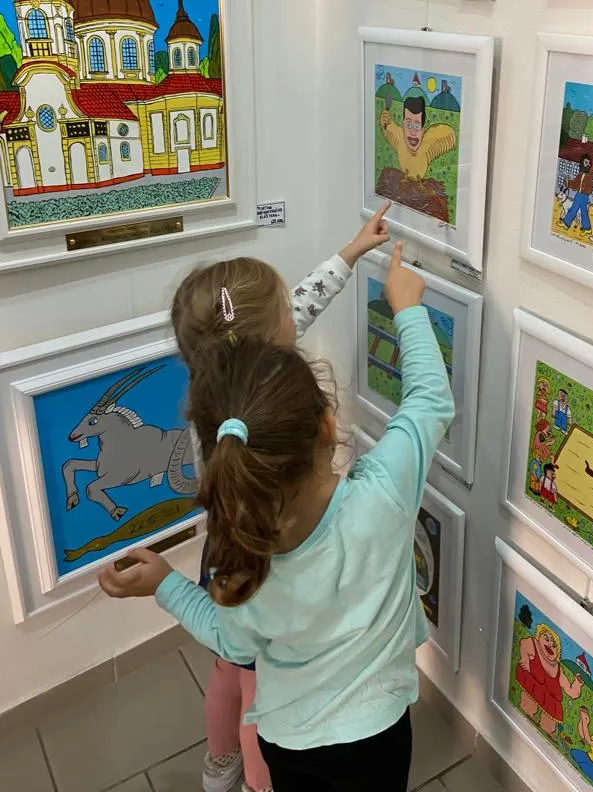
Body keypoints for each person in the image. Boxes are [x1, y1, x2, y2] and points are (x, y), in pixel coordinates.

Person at [98, 242, 455, 792]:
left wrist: (166, 584)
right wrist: (408, 308)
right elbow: (429, 401)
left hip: (288, 744)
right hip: (379, 730)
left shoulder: (240, 564)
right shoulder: (384, 495)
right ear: (328, 427)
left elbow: (233, 643)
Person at [166, 207, 392, 792]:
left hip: (225, 555)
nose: (296, 313)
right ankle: (258, 782)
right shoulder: (257, 402)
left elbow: (301, 304)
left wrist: (350, 252)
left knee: (227, 664)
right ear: (268, 344)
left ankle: (218, 764)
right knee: (257, 690)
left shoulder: (216, 395)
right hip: (263, 557)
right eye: (286, 313)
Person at [515, 624, 583, 737]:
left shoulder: (558, 669)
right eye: (546, 638)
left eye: (554, 645)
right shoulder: (534, 645)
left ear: (558, 653)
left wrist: (577, 684)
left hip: (550, 701)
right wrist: (525, 659)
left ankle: (547, 731)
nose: (550, 645)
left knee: (548, 724)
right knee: (528, 705)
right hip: (533, 686)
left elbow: (571, 692)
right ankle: (526, 717)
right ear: (539, 636)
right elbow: (523, 644)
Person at [379, 96, 456, 182]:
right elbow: (388, 126)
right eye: (408, 125)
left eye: (417, 126)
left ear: (422, 131)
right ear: (403, 126)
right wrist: (385, 118)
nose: (413, 132)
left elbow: (448, 132)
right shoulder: (399, 137)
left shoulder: (427, 143)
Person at [562, 150, 593, 236]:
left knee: (576, 209)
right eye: (586, 162)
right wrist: (568, 183)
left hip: (583, 196)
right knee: (580, 211)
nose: (588, 164)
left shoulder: (590, 174)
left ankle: (567, 223)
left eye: (589, 163)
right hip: (579, 194)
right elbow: (575, 184)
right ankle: (586, 228)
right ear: (582, 163)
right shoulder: (580, 175)